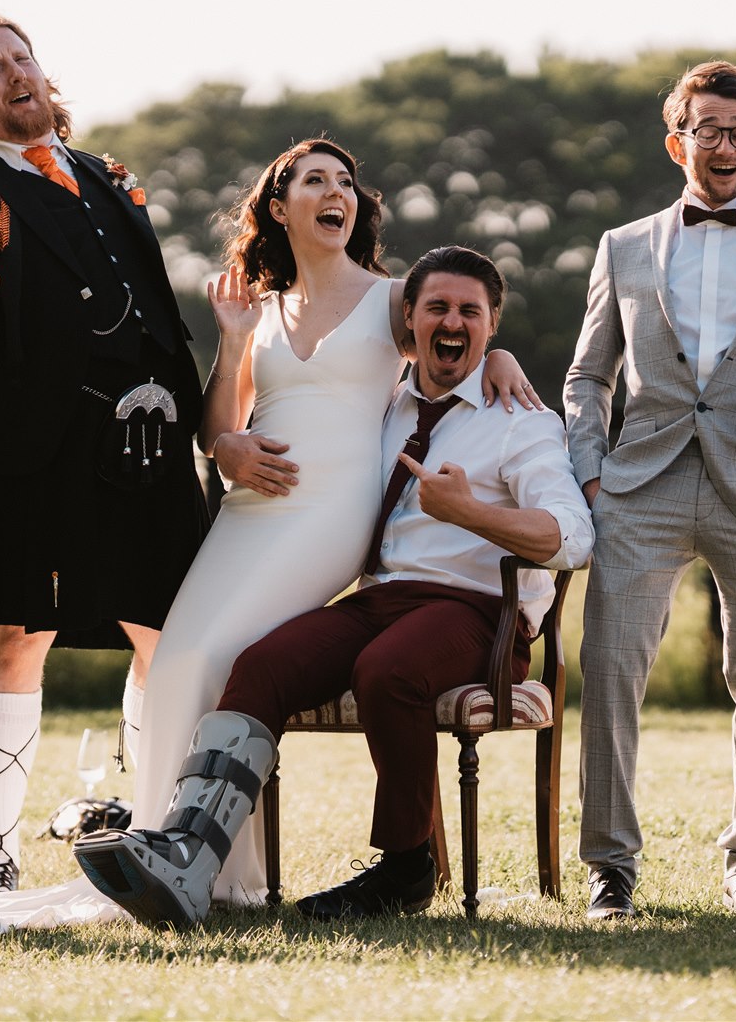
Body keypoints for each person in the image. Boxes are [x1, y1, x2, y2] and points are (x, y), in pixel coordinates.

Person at [0, 139, 533, 939]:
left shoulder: (394, 297)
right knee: (181, 659)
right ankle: (174, 850)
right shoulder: (255, 309)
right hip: (247, 516)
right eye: (316, 180)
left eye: (347, 183)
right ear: (279, 204)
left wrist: (498, 352)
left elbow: (458, 327)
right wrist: (229, 379)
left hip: (332, 516)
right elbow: (217, 428)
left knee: (207, 655)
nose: (339, 193)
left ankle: (199, 861)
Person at [77, 247, 593, 926]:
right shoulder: (384, 408)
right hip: (379, 601)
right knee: (258, 664)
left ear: (493, 325)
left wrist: (471, 512)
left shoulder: (520, 419)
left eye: (472, 311)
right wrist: (228, 445)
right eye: (437, 307)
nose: (453, 321)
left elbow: (574, 536)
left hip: (478, 614)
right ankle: (190, 852)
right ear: (408, 320)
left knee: (388, 669)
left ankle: (407, 867)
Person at [0, 14, 210, 899]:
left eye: (22, 58)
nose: (15, 74)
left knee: (165, 635)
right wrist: (1, 422)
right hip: (30, 454)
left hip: (146, 446)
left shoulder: (111, 179)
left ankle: (149, 835)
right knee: (15, 634)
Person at [564, 61, 736, 921]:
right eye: (707, 130)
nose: (723, 145)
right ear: (675, 140)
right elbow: (587, 376)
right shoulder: (621, 247)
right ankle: (610, 867)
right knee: (610, 669)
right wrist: (589, 474)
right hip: (639, 484)